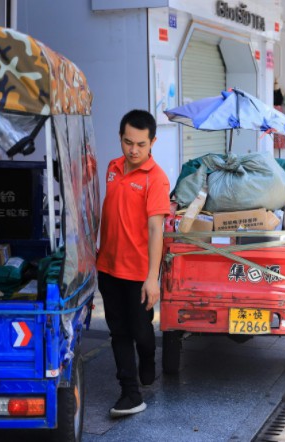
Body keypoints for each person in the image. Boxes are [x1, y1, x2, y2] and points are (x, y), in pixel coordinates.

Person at [96, 109, 171, 417]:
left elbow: (157, 229)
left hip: (139, 273)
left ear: (152, 141)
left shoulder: (157, 179)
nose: (134, 150)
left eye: (141, 144)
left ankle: (149, 357)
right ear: (120, 138)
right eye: (128, 142)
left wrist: (152, 278)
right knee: (119, 332)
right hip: (108, 267)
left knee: (141, 331)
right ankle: (130, 392)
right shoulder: (113, 168)